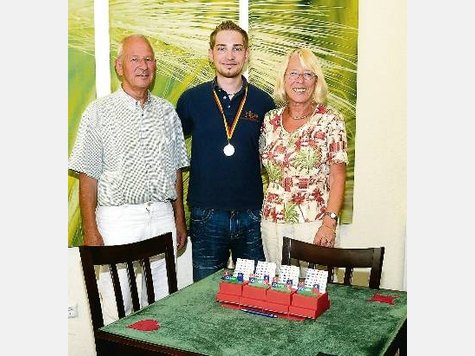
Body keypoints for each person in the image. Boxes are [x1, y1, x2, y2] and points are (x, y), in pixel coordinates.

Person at [68, 34, 189, 324]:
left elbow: (176, 169)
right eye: (135, 59)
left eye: (148, 59)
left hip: (161, 217)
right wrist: (91, 230)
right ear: (119, 66)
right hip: (118, 221)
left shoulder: (167, 112)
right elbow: (88, 173)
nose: (143, 66)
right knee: (116, 303)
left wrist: (179, 219)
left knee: (164, 302)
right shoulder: (98, 112)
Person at [176, 20, 276, 282]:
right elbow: (171, 154)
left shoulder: (264, 102)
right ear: (211, 54)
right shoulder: (191, 100)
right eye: (221, 48)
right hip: (206, 215)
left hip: (252, 214)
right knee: (206, 297)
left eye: (237, 48)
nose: (229, 56)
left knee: (255, 295)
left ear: (246, 54)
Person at [259, 48, 348, 272]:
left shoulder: (331, 120)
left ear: (316, 81)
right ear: (283, 79)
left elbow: (338, 177)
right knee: (279, 291)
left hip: (314, 223)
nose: (300, 80)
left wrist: (329, 223)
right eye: (293, 73)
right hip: (273, 222)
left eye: (308, 74)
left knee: (315, 294)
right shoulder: (270, 120)